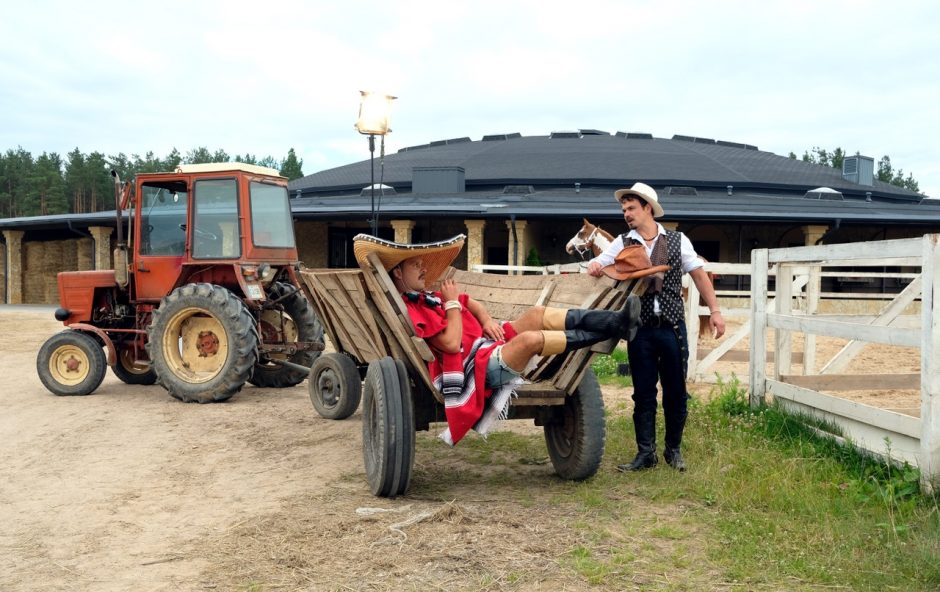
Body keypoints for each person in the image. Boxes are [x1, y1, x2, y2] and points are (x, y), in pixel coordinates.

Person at [353, 233, 647, 446]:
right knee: (530, 339)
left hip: (487, 343)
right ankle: (613, 328)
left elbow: (474, 304)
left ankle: (616, 321)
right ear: (398, 274)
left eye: (421, 263)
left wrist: (486, 320)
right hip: (476, 365)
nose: (423, 268)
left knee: (535, 313)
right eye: (415, 265)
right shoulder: (413, 310)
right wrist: (453, 304)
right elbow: (452, 345)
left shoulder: (430, 297)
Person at [587, 182, 726, 472]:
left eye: (631, 208)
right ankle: (645, 454)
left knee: (675, 391)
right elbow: (600, 262)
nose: (626, 213)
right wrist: (595, 266)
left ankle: (673, 451)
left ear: (648, 208)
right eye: (623, 209)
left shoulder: (677, 240)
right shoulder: (623, 241)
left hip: (673, 328)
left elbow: (699, 276)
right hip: (641, 330)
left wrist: (715, 311)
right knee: (643, 393)